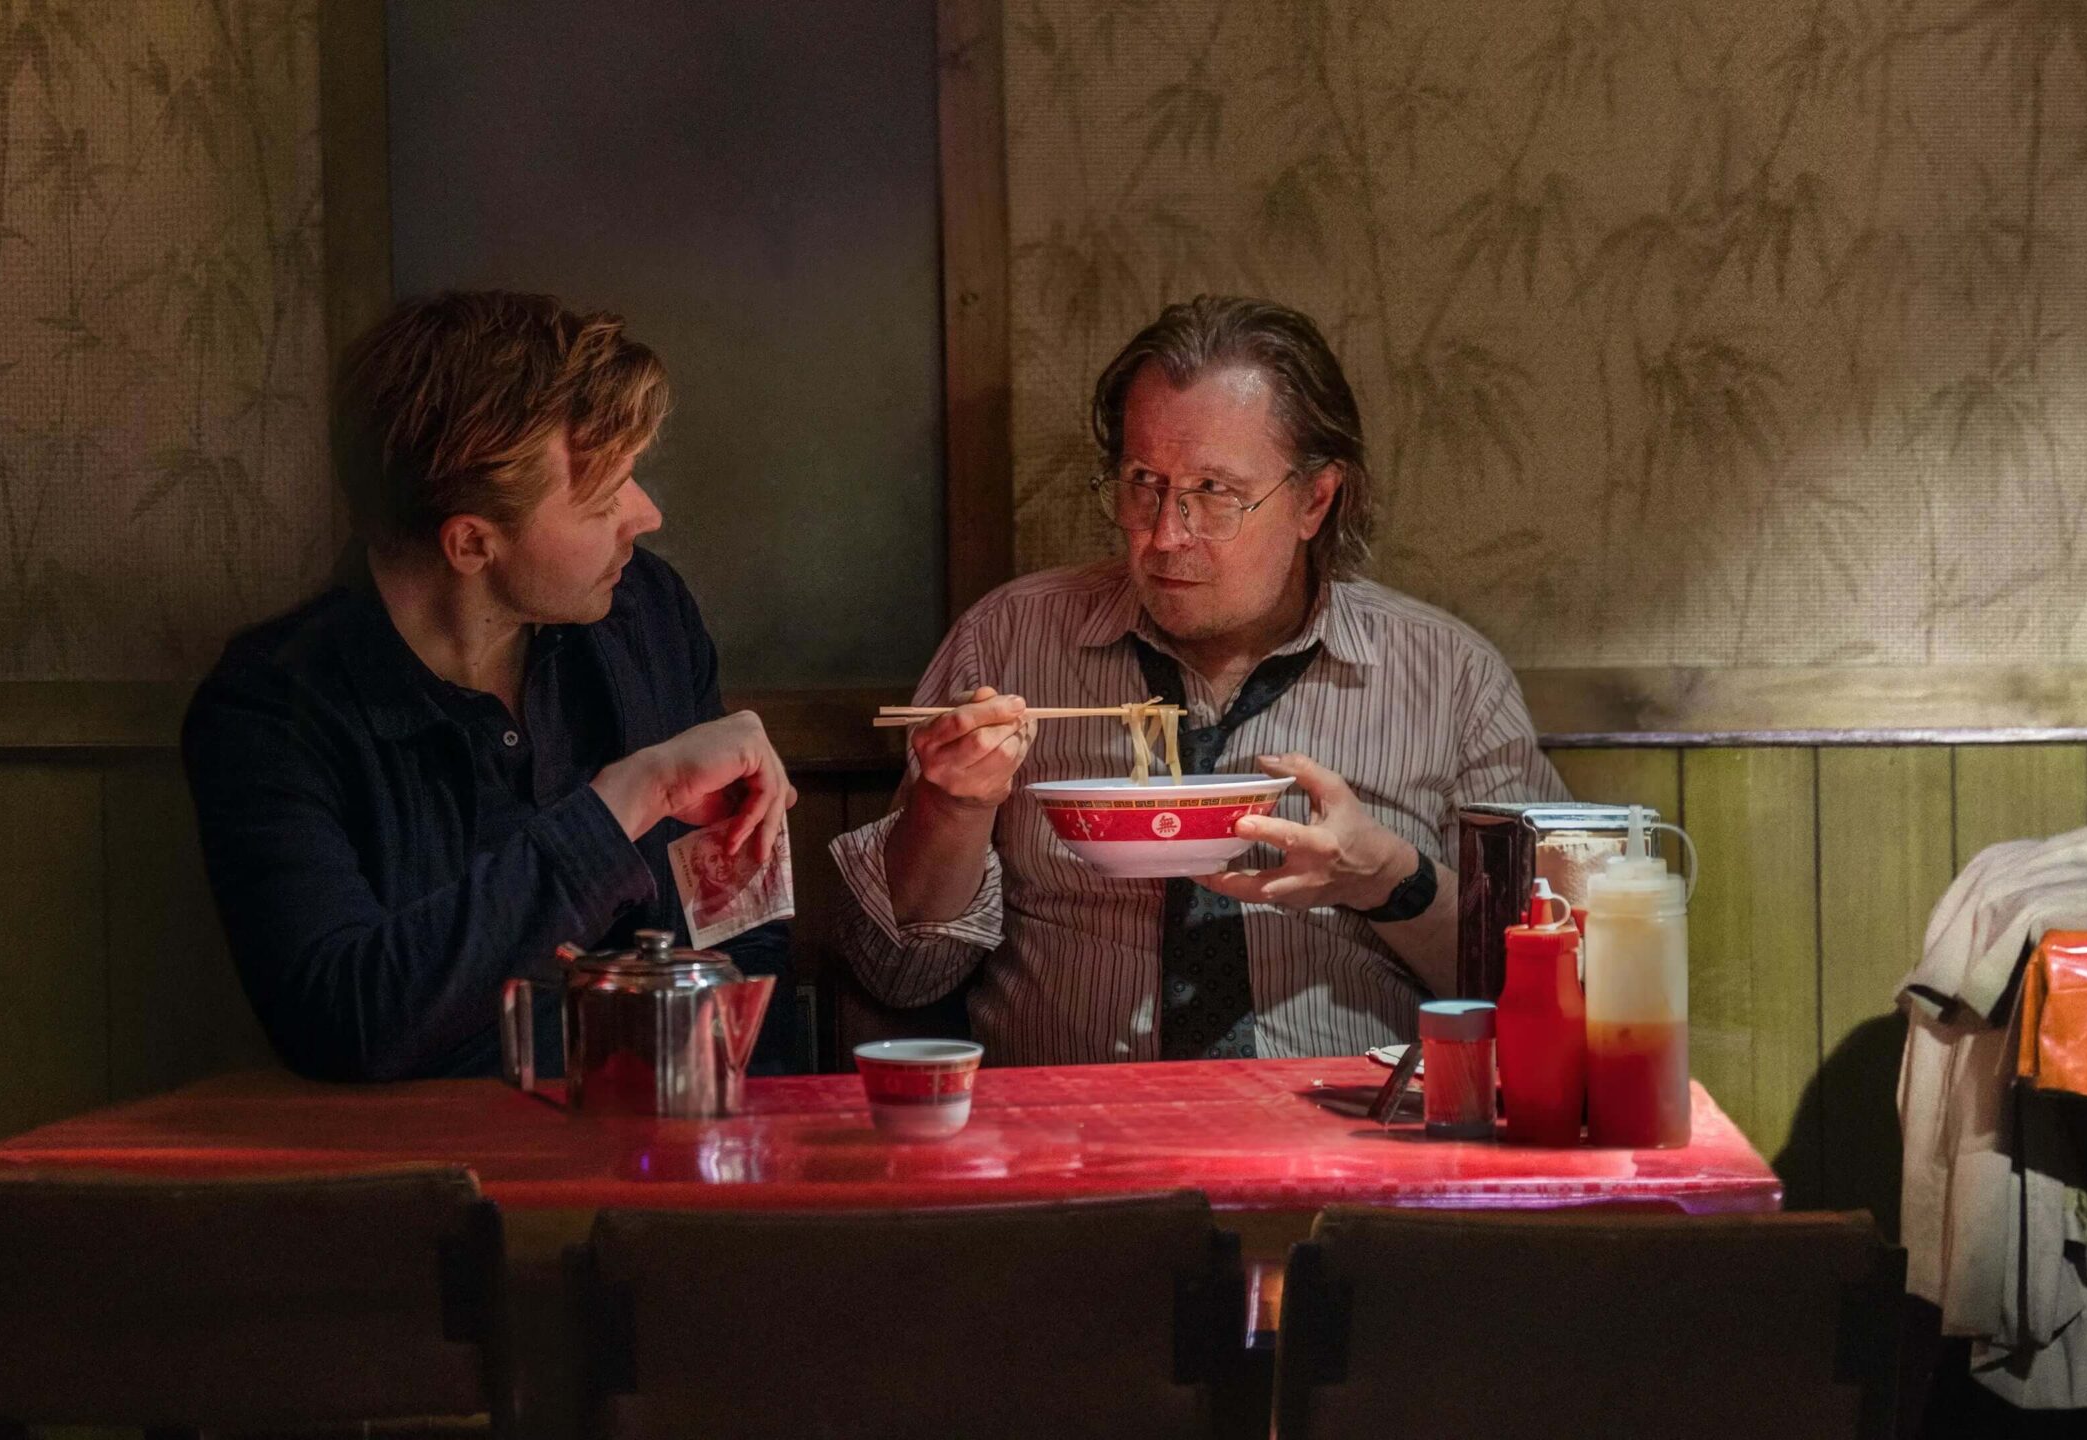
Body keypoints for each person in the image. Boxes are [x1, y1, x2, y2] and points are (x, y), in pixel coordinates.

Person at [831, 294, 1570, 1064]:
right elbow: (899, 976)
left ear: (1315, 500)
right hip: (1068, 1125)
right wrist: (951, 806)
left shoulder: (1450, 677)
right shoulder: (1008, 640)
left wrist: (1389, 879)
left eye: (1214, 493)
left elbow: (1548, 985)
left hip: (1348, 1123)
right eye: (1143, 481)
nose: (1164, 535)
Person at [183, 291, 799, 1082]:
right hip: (422, 1154)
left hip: (671, 1131)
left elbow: (738, 932)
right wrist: (629, 798)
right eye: (603, 500)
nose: (645, 515)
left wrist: (745, 1120)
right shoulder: (269, 710)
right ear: (471, 543)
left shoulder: (646, 612)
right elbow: (344, 1020)